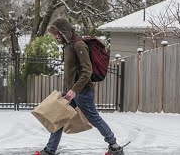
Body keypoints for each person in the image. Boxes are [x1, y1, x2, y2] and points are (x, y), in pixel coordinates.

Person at [35, 17, 124, 155]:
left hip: (83, 92)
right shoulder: (69, 45)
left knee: (94, 118)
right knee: (59, 117)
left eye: (57, 34)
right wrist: (69, 91)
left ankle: (114, 146)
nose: (55, 38)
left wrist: (74, 91)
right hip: (72, 92)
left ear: (64, 32)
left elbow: (87, 71)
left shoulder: (79, 45)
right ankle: (50, 150)